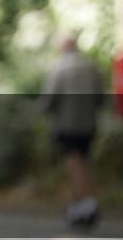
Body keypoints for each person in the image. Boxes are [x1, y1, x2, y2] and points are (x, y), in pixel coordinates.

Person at [37, 33, 103, 229]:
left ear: (63, 47)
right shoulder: (92, 67)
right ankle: (78, 207)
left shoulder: (58, 68)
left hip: (67, 124)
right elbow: (100, 98)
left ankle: (87, 203)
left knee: (74, 163)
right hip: (89, 123)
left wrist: (40, 112)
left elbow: (49, 100)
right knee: (81, 161)